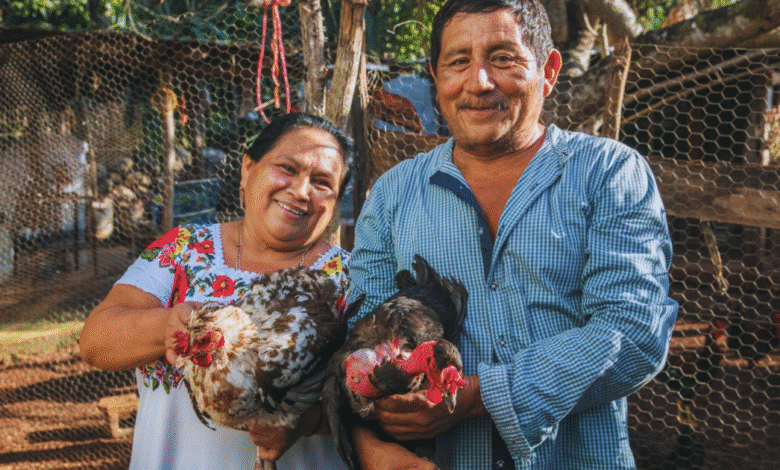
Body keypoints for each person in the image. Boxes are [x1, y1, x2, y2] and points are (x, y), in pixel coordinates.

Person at [346, 1, 679, 469]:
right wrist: (376, 428)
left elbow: (633, 330)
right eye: (458, 61)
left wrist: (484, 396)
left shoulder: (608, 173)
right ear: (435, 78)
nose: (479, 82)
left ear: (548, 70)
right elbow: (361, 336)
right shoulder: (392, 195)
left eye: (503, 58)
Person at [80, 112, 355, 470]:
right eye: (287, 168)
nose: (301, 191)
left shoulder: (352, 277)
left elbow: (380, 404)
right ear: (247, 169)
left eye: (322, 182)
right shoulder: (182, 249)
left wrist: (309, 422)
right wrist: (168, 327)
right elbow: (95, 342)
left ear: (334, 201)